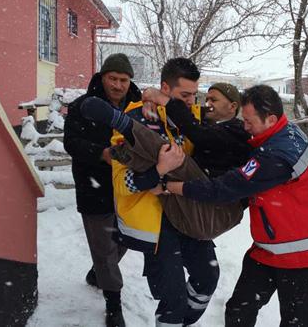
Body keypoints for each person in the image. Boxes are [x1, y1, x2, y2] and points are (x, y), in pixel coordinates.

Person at [162, 85, 308, 327]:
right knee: (239, 309)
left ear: (270, 119)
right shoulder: (281, 132)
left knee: (296, 323)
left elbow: (225, 189)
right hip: (271, 249)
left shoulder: (276, 156)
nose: (245, 126)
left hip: (307, 256)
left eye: (249, 121)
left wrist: (172, 187)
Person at [80, 58, 246, 326]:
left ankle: (182, 321)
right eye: (185, 95)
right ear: (165, 89)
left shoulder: (191, 117)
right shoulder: (133, 117)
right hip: (157, 225)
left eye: (195, 95)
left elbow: (226, 122)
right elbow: (123, 182)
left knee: (207, 279)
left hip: (189, 213)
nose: (193, 102)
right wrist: (157, 172)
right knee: (173, 299)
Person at [64, 53, 140, 327]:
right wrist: (101, 154)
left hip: (132, 188)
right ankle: (113, 304)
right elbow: (71, 144)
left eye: (123, 79)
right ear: (103, 76)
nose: (118, 85)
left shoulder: (140, 108)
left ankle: (99, 273)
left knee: (129, 238)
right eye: (113, 79)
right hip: (94, 187)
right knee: (104, 247)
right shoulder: (82, 106)